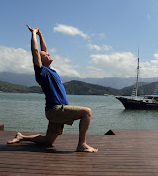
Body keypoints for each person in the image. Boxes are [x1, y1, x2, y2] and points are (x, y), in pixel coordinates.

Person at [7, 25, 98, 153]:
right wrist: (33, 34)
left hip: (56, 110)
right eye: (45, 55)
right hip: (56, 110)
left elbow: (44, 49)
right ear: (41, 59)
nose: (48, 54)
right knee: (86, 112)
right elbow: (35, 50)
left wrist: (40, 35)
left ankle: (21, 137)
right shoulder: (41, 73)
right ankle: (81, 144)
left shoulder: (50, 70)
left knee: (48, 141)